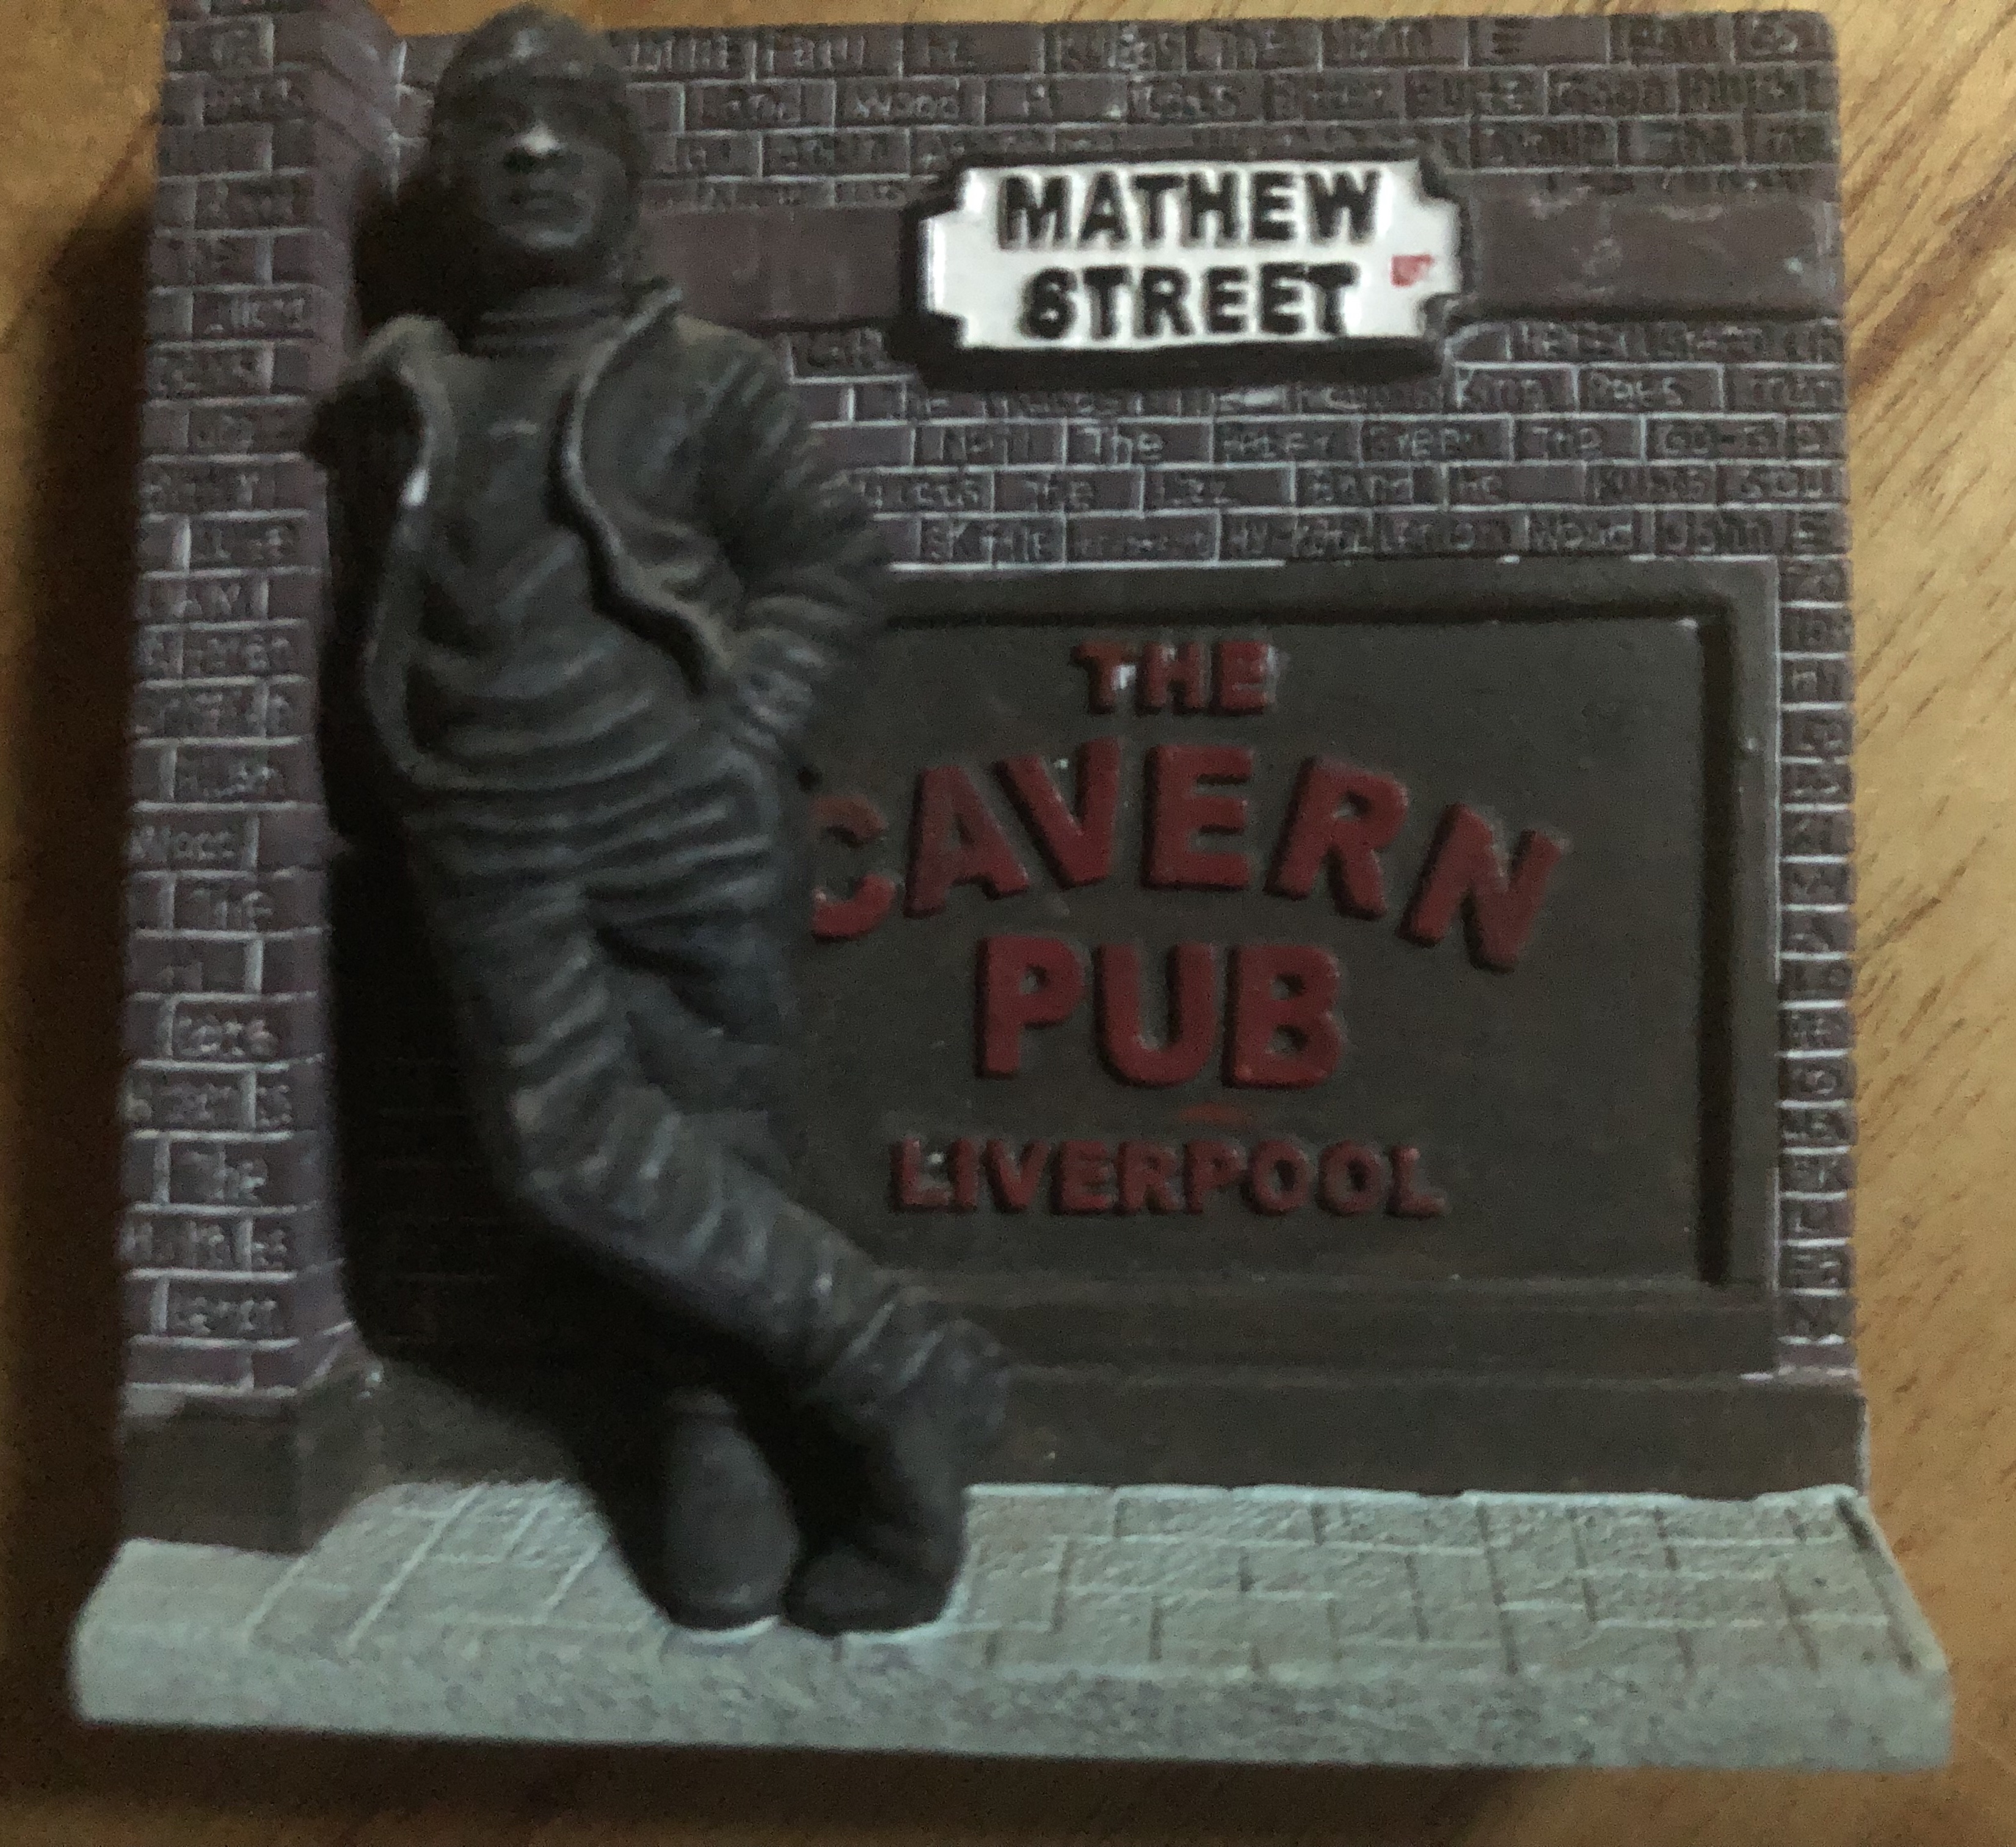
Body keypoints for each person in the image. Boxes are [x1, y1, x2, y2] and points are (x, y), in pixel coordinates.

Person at [313, 4, 1006, 1638]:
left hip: (684, 809)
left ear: (629, 176)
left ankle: (722, 1445)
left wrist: (740, 740)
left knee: (716, 1126)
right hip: (490, 829)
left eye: (573, 125)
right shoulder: (409, 391)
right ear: (449, 184)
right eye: (492, 130)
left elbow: (828, 564)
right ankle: (899, 1367)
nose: (532, 149)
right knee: (560, 1146)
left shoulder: (707, 380)